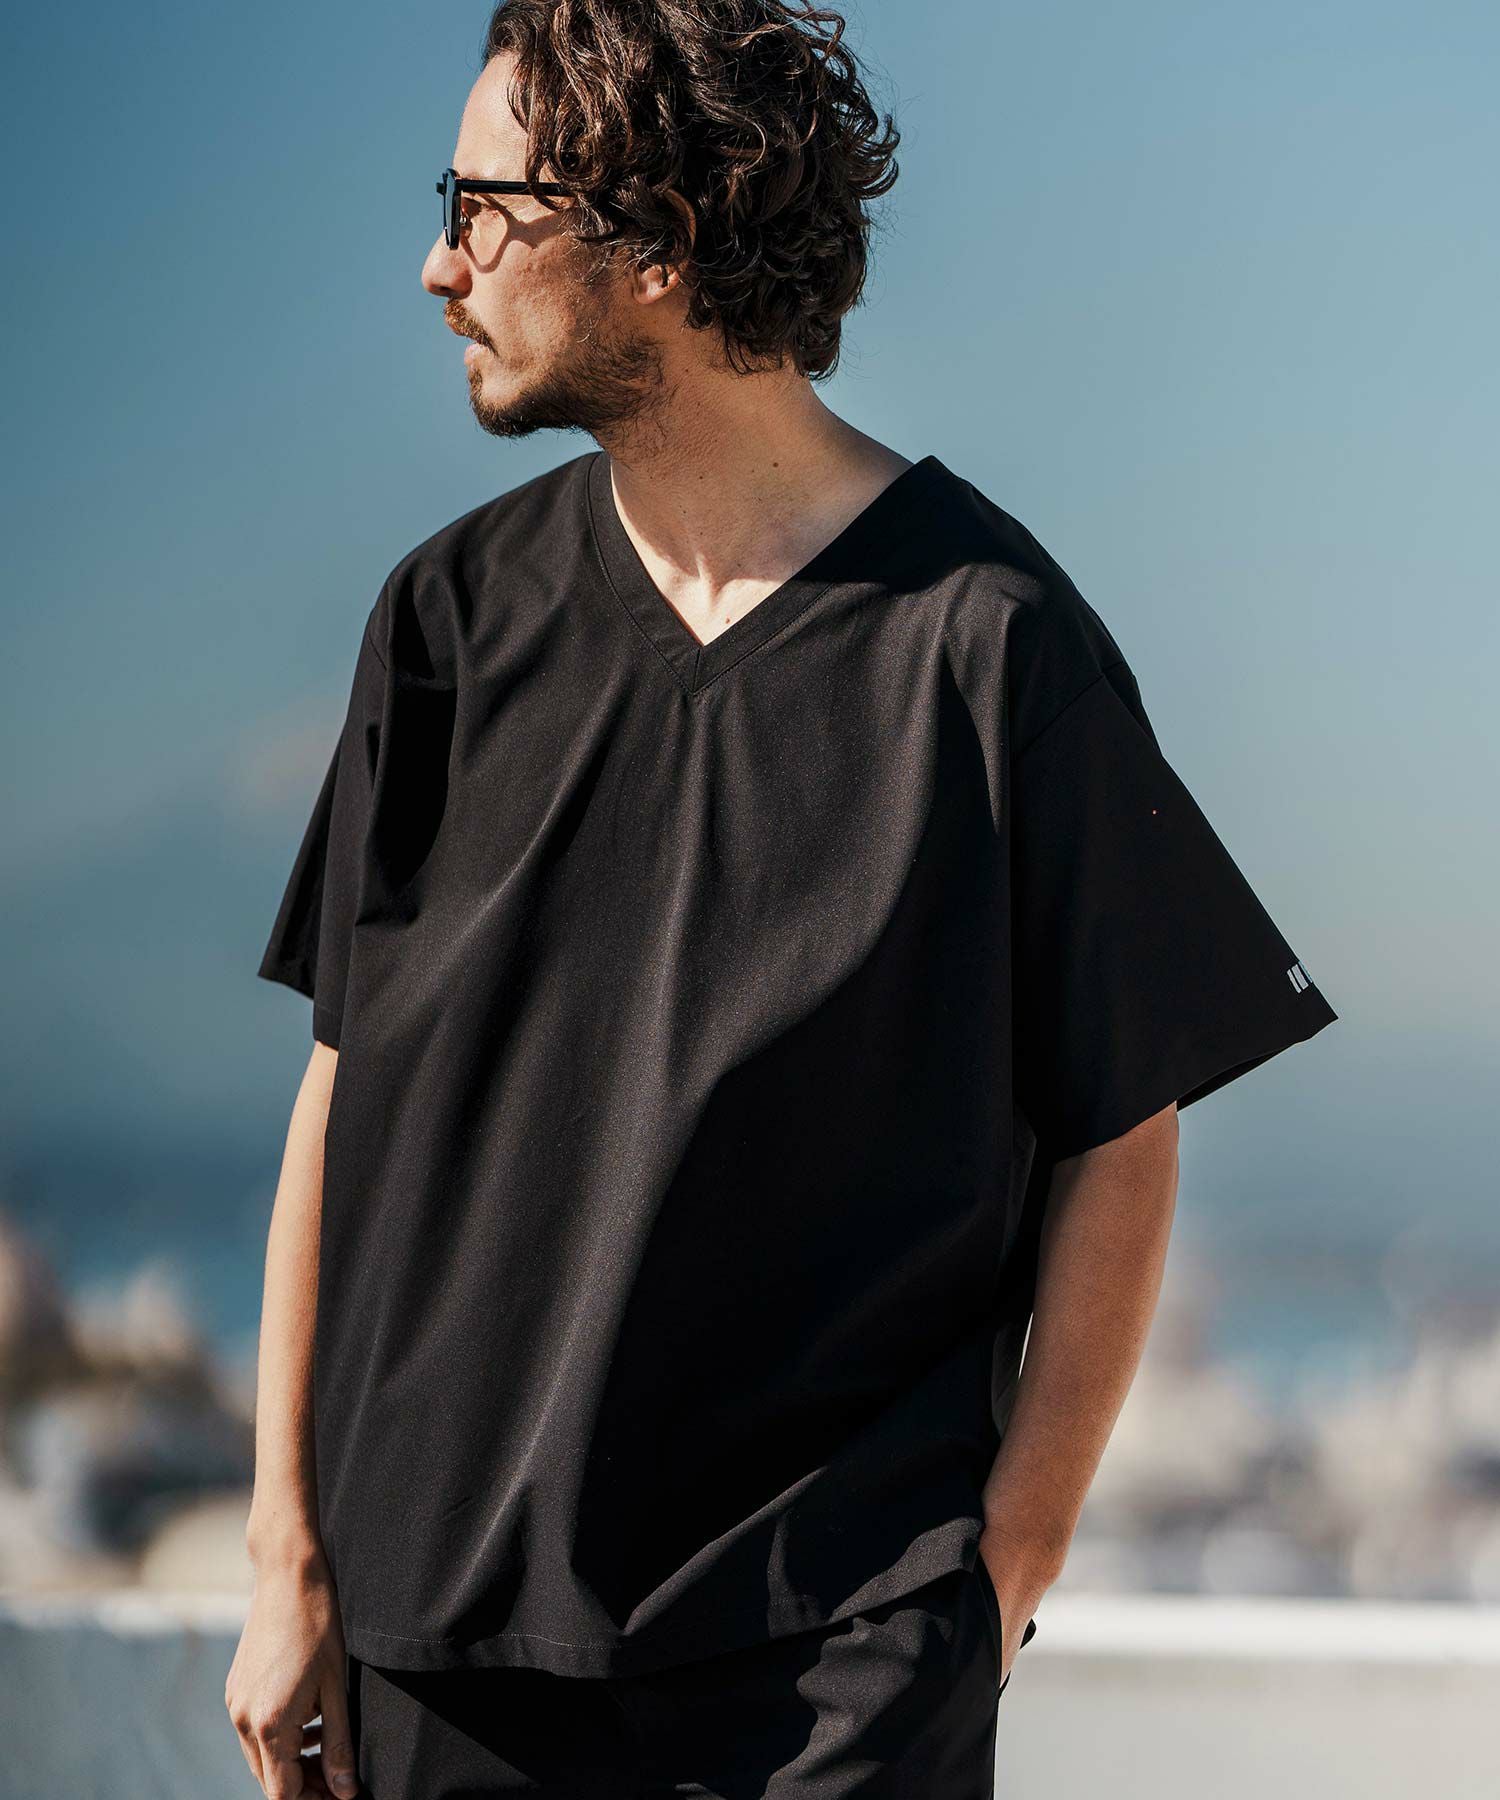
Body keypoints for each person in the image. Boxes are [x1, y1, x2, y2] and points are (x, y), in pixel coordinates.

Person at [226, 2, 1339, 1795]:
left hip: (823, 1692)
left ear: (659, 241)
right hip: (432, 1664)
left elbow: (1122, 1134)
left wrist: (1002, 1575)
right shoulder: (442, 624)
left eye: (483, 208)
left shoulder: (988, 649)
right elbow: (340, 1093)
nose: (440, 266)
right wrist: (284, 1549)